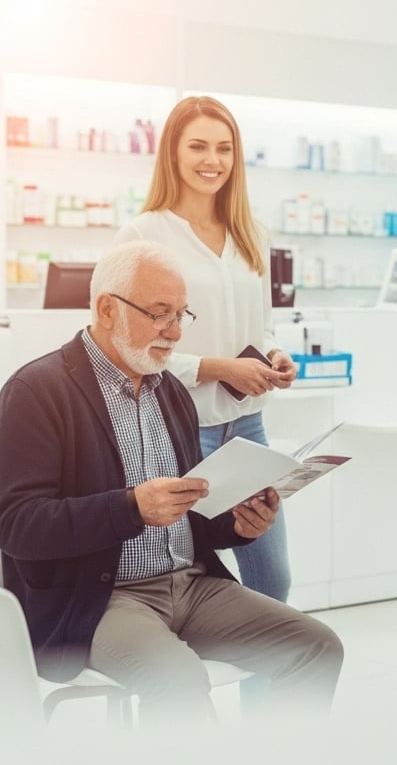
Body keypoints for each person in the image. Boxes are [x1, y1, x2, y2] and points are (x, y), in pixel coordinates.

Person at [0, 241, 343, 726]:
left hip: (192, 585)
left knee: (317, 647)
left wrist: (238, 525)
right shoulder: (35, 392)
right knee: (178, 682)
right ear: (106, 309)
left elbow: (191, 518)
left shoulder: (172, 392)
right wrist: (131, 508)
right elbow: (16, 526)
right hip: (98, 599)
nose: (176, 332)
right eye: (160, 315)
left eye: (182, 315)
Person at [115, 96, 298, 604]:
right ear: (172, 152)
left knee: (273, 580)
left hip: (250, 427)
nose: (211, 160)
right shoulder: (143, 234)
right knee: (189, 582)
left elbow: (261, 328)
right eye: (197, 146)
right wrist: (218, 369)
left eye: (224, 148)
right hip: (181, 431)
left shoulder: (252, 234)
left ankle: (276, 682)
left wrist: (274, 356)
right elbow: (126, 347)